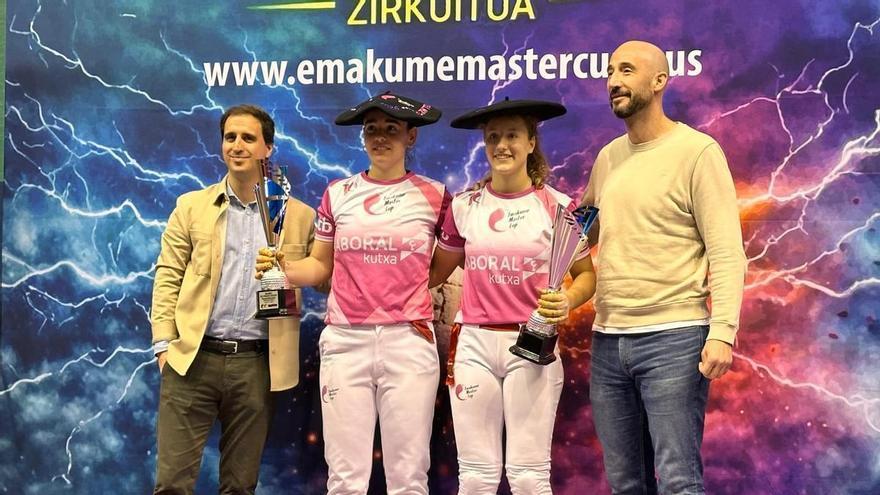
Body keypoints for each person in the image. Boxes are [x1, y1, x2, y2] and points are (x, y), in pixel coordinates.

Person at [255, 92, 449, 495]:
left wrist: (406, 288)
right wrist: (283, 270)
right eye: (371, 129)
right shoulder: (338, 193)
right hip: (345, 341)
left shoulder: (436, 195)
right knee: (345, 479)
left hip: (409, 340)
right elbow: (320, 266)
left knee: (409, 477)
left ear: (411, 136)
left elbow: (440, 268)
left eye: (391, 129)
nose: (380, 137)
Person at [582, 40, 747, 494]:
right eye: (610, 71)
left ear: (659, 81)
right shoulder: (608, 157)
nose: (613, 81)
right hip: (608, 340)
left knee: (678, 481)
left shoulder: (697, 152)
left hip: (674, 339)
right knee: (625, 483)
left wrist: (722, 332)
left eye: (626, 70)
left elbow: (726, 250)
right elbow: (583, 228)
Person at [429, 98, 597, 494]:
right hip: (474, 346)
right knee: (476, 477)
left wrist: (568, 301)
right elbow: (434, 273)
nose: (501, 145)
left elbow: (586, 276)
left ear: (531, 142)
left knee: (528, 477)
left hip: (533, 346)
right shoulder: (464, 207)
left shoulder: (558, 207)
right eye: (493, 137)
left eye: (512, 136)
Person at [150, 104, 316, 494]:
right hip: (192, 360)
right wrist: (163, 345)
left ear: (268, 148)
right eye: (230, 137)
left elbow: (324, 276)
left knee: (240, 486)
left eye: (248, 138)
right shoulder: (191, 207)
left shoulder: (298, 216)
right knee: (172, 484)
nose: (237, 145)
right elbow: (168, 274)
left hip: (256, 365)